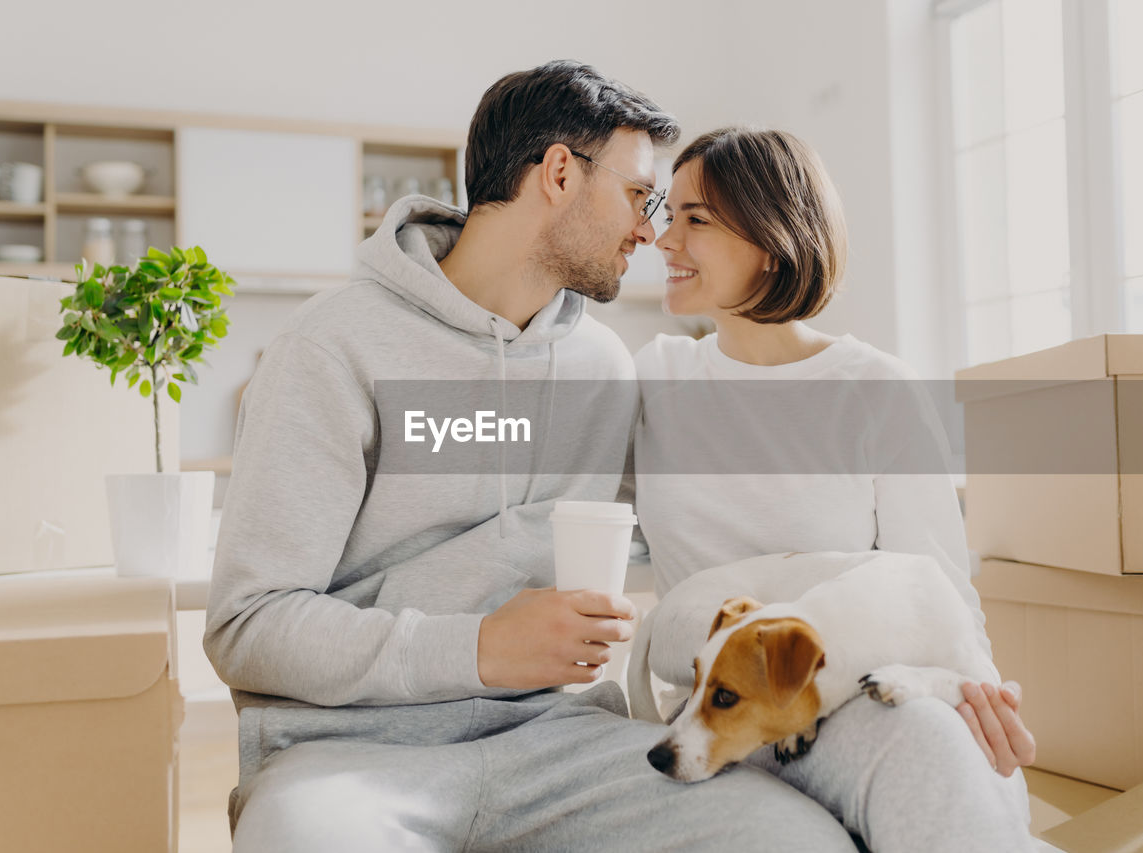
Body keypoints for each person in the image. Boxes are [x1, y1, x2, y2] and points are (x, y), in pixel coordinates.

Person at [204, 63, 863, 851]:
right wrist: (478, 646)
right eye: (638, 196)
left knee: (798, 839)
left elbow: (690, 520)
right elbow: (248, 624)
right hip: (352, 756)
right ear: (558, 173)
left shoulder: (604, 366)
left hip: (564, 745)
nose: (651, 230)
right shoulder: (331, 348)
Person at [634, 126, 1039, 852]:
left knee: (933, 744)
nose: (665, 241)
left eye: (695, 219)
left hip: (853, 702)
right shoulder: (654, 377)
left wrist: (978, 692)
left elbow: (936, 591)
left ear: (771, 236)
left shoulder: (877, 390)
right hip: (714, 715)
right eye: (670, 215)